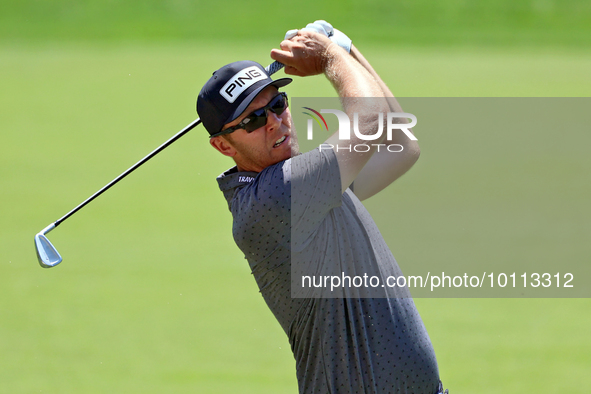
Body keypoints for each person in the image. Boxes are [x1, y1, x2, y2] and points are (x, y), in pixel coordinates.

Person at [197, 21, 448, 394]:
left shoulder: (310, 186)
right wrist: (330, 56)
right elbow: (372, 122)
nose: (274, 122)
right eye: (252, 119)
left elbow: (400, 145)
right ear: (224, 147)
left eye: (277, 104)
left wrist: (345, 47)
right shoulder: (274, 200)